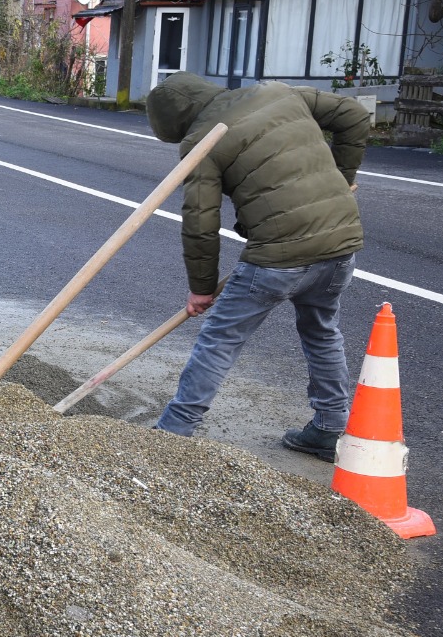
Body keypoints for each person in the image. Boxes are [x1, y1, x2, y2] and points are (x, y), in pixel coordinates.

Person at [147, 72, 370, 460]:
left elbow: (201, 223)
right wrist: (342, 178)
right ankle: (330, 428)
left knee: (220, 339)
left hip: (277, 257)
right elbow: (353, 114)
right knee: (321, 331)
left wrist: (202, 287)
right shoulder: (279, 93)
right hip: (339, 243)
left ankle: (172, 434)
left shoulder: (202, 143)